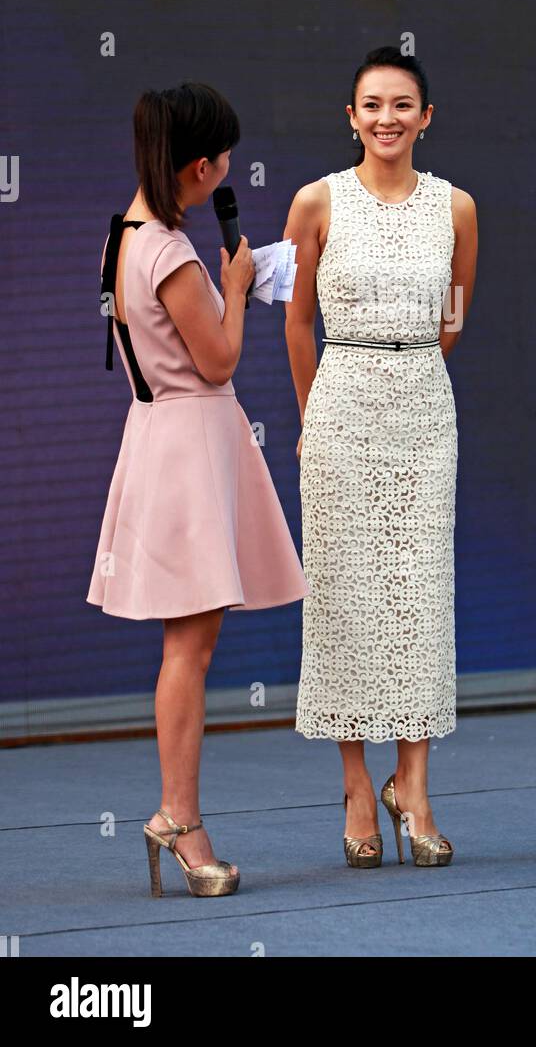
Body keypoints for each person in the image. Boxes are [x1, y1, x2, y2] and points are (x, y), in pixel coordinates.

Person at [88, 82, 308, 897]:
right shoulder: (172, 252)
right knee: (190, 648)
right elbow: (217, 360)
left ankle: (176, 816)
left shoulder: (125, 231)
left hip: (162, 437)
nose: (227, 175)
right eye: (222, 163)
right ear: (197, 166)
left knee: (192, 645)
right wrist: (240, 286)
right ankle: (179, 820)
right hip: (189, 441)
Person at [283, 46, 478, 867]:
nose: (387, 118)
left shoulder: (457, 207)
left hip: (423, 413)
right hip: (339, 410)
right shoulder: (315, 201)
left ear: (425, 117)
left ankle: (417, 785)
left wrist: (409, 365)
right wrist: (311, 414)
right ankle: (359, 786)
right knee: (345, 599)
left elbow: (455, 312)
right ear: (351, 116)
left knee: (420, 595)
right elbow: (296, 323)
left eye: (403, 104)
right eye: (372, 105)